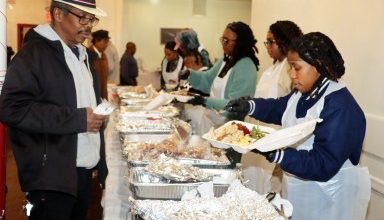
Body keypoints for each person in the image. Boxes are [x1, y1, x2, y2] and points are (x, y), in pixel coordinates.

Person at [225, 32, 371, 220]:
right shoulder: (303, 92)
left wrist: (275, 153)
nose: (292, 75)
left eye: (297, 68)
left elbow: (322, 163)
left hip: (330, 198)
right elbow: (280, 108)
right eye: (290, 68)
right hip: (300, 190)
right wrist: (250, 105)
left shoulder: (341, 107)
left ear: (319, 65)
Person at [0, 0, 108, 219]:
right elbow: (11, 108)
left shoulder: (84, 55)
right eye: (82, 17)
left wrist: (97, 159)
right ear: (58, 14)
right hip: (50, 175)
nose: (88, 25)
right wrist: (77, 119)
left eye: (92, 19)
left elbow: (88, 107)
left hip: (82, 169)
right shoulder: (32, 55)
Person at [243, 20, 303, 194]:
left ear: (284, 42)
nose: (267, 46)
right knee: (252, 182)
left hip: (275, 138)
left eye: (271, 41)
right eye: (266, 42)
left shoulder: (289, 69)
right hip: (257, 134)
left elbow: (286, 107)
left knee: (268, 188)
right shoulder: (273, 67)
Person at [180, 21, 259, 139]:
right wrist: (189, 74)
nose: (223, 44)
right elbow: (207, 80)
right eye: (223, 39)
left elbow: (235, 104)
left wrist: (205, 101)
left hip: (229, 130)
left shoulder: (246, 66)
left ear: (240, 43)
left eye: (227, 41)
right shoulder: (226, 60)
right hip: (212, 122)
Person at [89, 29, 110, 99]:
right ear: (96, 41)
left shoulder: (104, 55)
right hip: (92, 96)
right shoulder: (88, 55)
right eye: (105, 42)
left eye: (107, 42)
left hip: (102, 95)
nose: (106, 45)